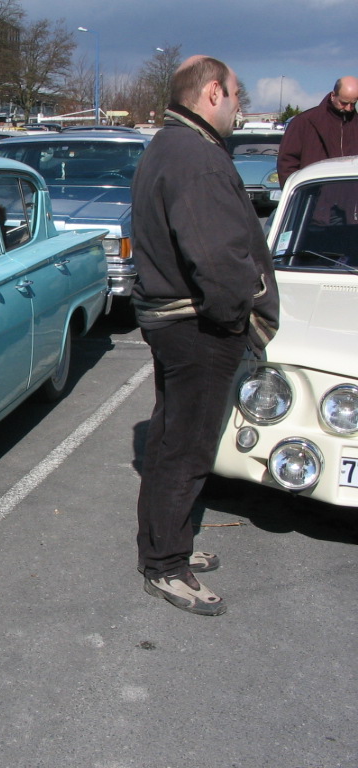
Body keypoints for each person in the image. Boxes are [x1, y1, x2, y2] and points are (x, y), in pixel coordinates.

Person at [130, 56, 280, 616]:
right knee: (187, 448)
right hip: (197, 326)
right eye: (237, 94)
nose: (241, 106)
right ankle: (167, 565)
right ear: (212, 91)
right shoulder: (196, 157)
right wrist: (236, 322)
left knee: (171, 441)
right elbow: (217, 262)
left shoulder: (168, 146)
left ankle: (167, 548)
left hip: (175, 323)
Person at [277, 76, 358, 186]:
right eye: (344, 103)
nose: (349, 108)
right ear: (333, 96)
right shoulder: (304, 122)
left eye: (353, 103)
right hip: (316, 196)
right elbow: (287, 163)